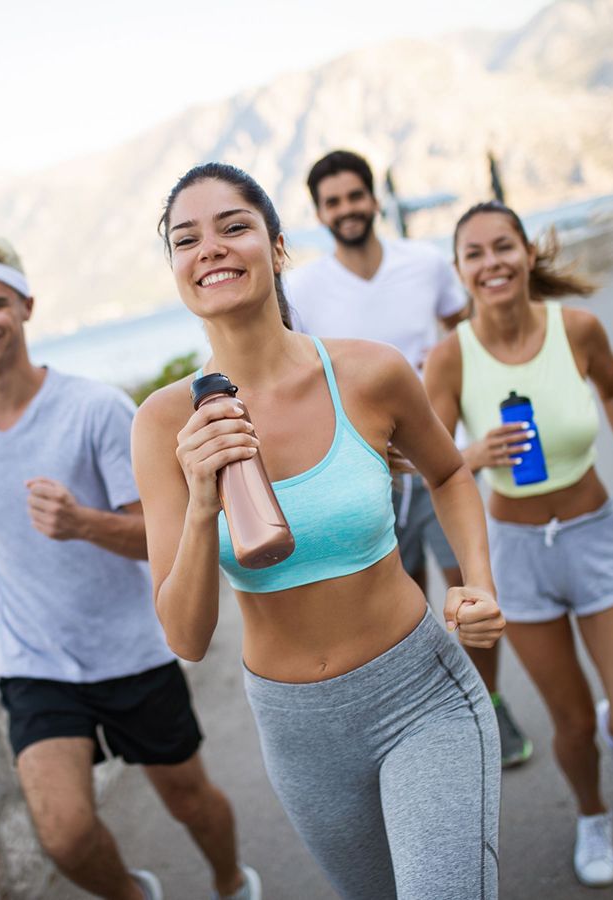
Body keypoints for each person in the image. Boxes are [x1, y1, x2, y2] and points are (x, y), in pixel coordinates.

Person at [132, 162, 504, 900]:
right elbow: (185, 636)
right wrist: (204, 502)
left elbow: (450, 474)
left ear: (276, 249)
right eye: (185, 239)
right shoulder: (163, 424)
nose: (209, 247)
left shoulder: (369, 374)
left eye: (233, 227)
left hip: (420, 698)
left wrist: (478, 585)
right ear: (175, 268)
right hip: (299, 734)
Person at [0, 234, 260, 900]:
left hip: (133, 649)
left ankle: (230, 881)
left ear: (26, 308)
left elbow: (159, 539)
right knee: (65, 835)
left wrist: (80, 524)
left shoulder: (95, 411)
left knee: (190, 802)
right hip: (34, 661)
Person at [424, 202, 613, 888]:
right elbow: (422, 459)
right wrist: (472, 453)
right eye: (474, 253)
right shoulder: (448, 360)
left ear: (528, 254)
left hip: (596, 536)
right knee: (567, 723)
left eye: (503, 246)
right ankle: (593, 815)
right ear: (459, 272)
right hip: (518, 553)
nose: (491, 262)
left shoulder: (579, 329)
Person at [284, 148, 533, 768]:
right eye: (332, 202)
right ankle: (430, 724)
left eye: (354, 196)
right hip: (366, 477)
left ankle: (492, 703)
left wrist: (470, 446)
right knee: (405, 605)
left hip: (442, 464)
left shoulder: (424, 265)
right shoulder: (305, 288)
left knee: (468, 589)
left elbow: (464, 345)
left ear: (374, 199)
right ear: (320, 213)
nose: (346, 210)